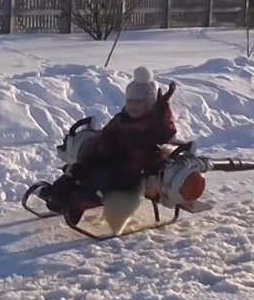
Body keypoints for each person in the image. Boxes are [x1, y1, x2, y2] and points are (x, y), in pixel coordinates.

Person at [41, 66, 178, 230]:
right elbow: (105, 136)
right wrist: (88, 158)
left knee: (99, 181)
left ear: (149, 104)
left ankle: (78, 203)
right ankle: (57, 194)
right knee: (79, 170)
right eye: (130, 101)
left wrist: (162, 108)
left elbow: (166, 132)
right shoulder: (121, 119)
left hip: (129, 174)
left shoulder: (152, 125)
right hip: (110, 160)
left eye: (139, 102)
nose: (133, 105)